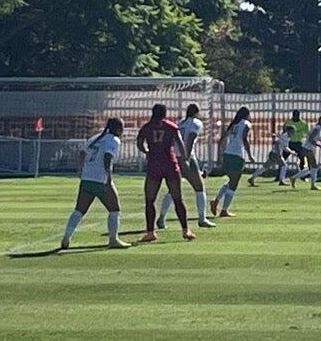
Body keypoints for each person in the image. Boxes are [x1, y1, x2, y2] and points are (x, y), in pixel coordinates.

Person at [55, 117, 128, 251]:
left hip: (87, 178)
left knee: (79, 210)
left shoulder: (96, 138)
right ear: (118, 129)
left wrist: (80, 169)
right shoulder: (113, 140)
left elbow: (82, 152)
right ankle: (113, 239)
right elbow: (107, 157)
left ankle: (67, 237)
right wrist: (109, 179)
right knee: (114, 208)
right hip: (100, 179)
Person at [137, 103, 194, 242]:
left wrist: (147, 151)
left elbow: (139, 142)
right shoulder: (171, 126)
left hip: (154, 165)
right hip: (170, 163)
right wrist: (185, 158)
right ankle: (186, 230)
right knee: (178, 199)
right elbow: (180, 143)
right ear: (165, 113)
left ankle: (150, 232)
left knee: (150, 200)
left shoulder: (147, 127)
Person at [156, 103, 216, 230]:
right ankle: (202, 218)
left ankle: (161, 218)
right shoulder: (196, 123)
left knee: (173, 190)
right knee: (199, 188)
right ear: (196, 112)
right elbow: (191, 137)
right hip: (186, 156)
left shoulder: (180, 123)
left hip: (174, 156)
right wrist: (187, 157)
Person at [214, 107, 252, 217]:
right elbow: (244, 139)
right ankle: (223, 210)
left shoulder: (233, 124)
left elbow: (222, 140)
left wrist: (219, 156)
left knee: (231, 181)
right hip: (237, 155)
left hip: (227, 153)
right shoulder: (246, 124)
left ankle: (216, 201)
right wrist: (249, 154)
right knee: (234, 184)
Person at [292, 115, 321, 188]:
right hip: (308, 148)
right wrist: (319, 146)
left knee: (311, 168)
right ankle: (313, 185)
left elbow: (319, 139)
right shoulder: (317, 128)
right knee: (314, 166)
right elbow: (310, 139)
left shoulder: (319, 128)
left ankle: (294, 178)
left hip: (309, 148)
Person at [286, 110, 311, 179]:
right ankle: (279, 176)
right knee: (283, 158)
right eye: (294, 115)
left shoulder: (303, 124)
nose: (295, 117)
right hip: (289, 142)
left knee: (302, 159)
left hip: (298, 143)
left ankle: (302, 175)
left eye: (297, 115)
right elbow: (284, 132)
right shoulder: (289, 122)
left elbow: (308, 134)